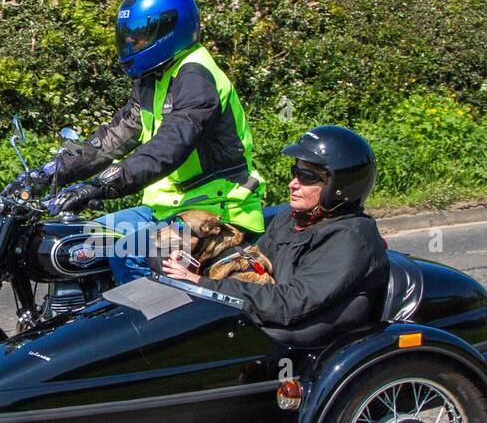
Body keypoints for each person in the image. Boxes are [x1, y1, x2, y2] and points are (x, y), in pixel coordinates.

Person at [6, 0, 265, 283]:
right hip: (166, 210)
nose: (130, 40)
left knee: (124, 250)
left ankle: (150, 326)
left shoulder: (196, 76)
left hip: (215, 212)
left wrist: (100, 185)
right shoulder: (153, 78)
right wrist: (48, 173)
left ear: (169, 30)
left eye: (139, 35)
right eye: (127, 33)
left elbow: (169, 148)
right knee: (82, 241)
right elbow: (113, 138)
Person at [163, 126, 389, 340]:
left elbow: (290, 304)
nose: (292, 183)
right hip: (267, 321)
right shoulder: (290, 219)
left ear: (340, 187)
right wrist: (193, 264)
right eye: (295, 172)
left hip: (291, 338)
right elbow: (253, 263)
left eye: (307, 177)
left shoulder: (350, 238)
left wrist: (202, 284)